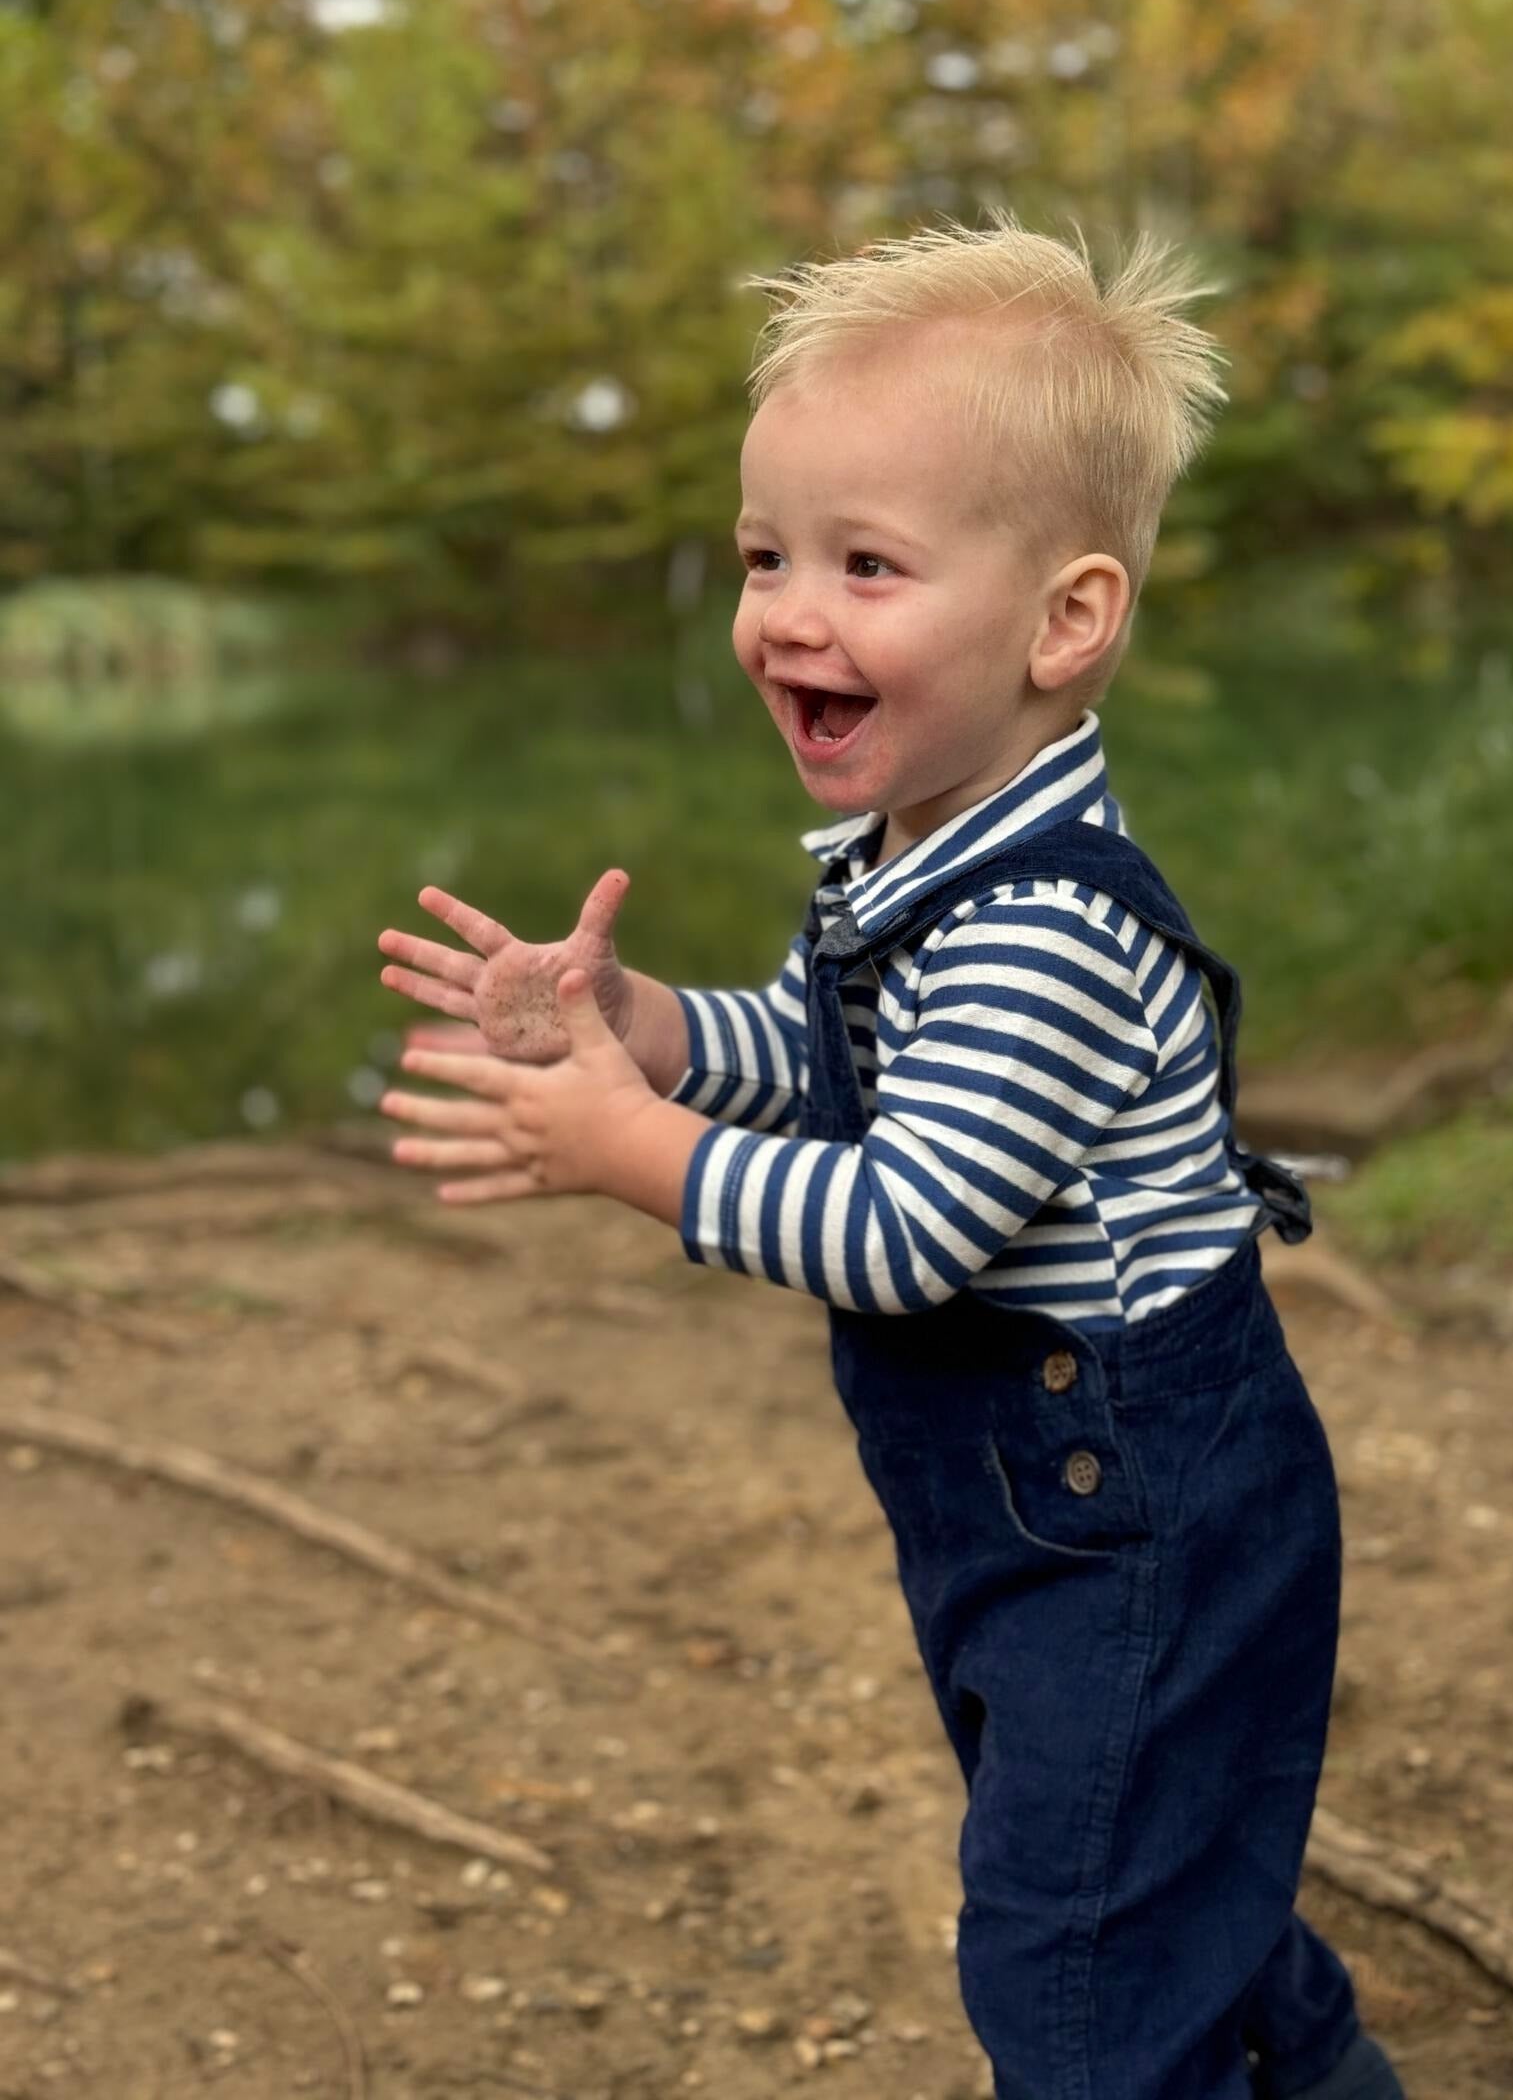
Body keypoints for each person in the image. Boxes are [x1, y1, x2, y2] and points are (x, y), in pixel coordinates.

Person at [375, 210, 1406, 2100]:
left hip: (1139, 1511)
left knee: (1078, 1965)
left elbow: (911, 1223)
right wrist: (650, 1033)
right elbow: (843, 1078)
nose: (787, 610)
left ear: (1065, 619)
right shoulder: (913, 866)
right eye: (768, 555)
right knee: (1155, 1890)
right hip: (1035, 1512)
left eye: (867, 563)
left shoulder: (1040, 927)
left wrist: (632, 1150)